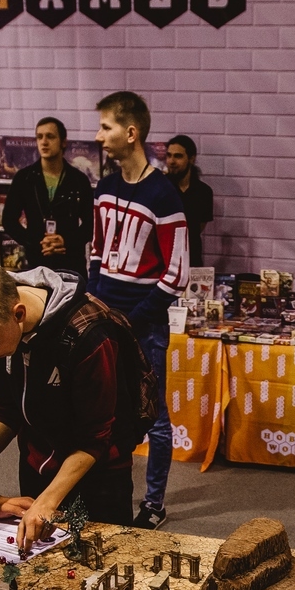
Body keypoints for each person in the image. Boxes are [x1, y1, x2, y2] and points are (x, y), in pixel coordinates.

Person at [0, 252, 150, 553]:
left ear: (18, 314)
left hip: (99, 476)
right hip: (36, 466)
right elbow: (5, 408)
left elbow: (94, 438)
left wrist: (49, 499)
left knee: (104, 563)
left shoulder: (89, 335)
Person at [90, 92, 188, 529]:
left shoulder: (163, 194)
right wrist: (93, 301)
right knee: (107, 413)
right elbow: (96, 252)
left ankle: (153, 505)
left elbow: (177, 273)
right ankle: (110, 495)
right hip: (103, 321)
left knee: (156, 419)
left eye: (106, 127)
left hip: (144, 328)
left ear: (131, 133)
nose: (99, 136)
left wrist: (133, 318)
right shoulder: (104, 187)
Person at [2, 117, 93, 272]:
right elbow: (8, 220)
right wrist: (36, 242)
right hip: (37, 263)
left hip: (71, 264)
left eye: (50, 136)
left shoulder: (79, 180)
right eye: (39, 137)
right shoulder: (24, 178)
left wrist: (65, 241)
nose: (44, 142)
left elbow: (90, 225)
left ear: (63, 142)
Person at [164, 135, 214, 266]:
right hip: (163, 260)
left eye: (178, 156)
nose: (171, 161)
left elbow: (198, 228)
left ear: (191, 159)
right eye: (169, 155)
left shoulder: (204, 192)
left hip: (192, 259)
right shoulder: (159, 188)